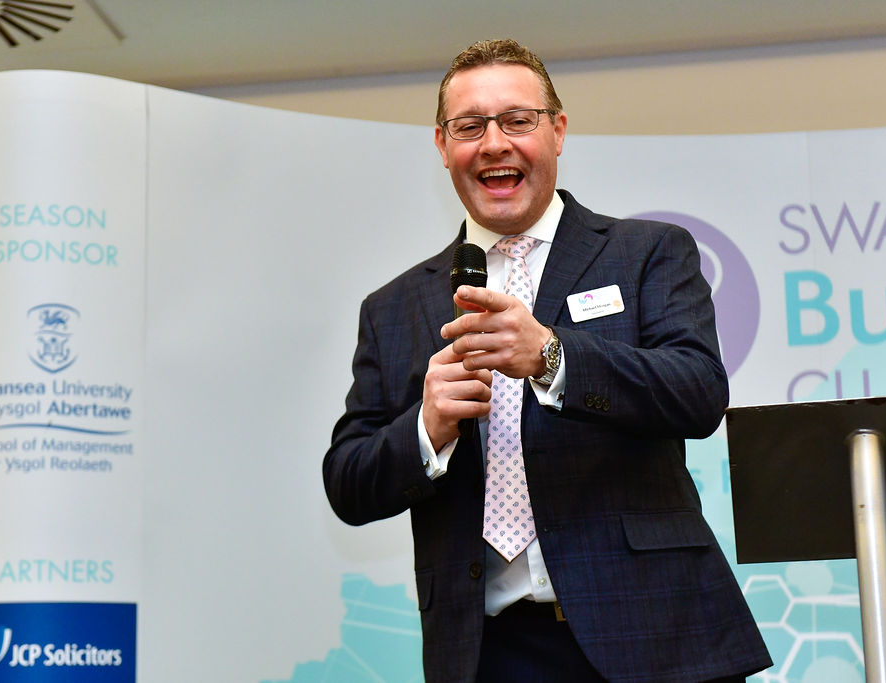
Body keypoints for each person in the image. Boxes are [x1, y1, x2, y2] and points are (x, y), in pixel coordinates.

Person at [323, 38, 771, 683]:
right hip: (487, 653)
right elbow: (348, 482)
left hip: (656, 633)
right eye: (469, 127)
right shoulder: (393, 307)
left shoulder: (647, 253)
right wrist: (427, 428)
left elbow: (698, 392)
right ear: (443, 146)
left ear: (557, 131)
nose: (494, 144)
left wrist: (552, 357)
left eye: (517, 120)